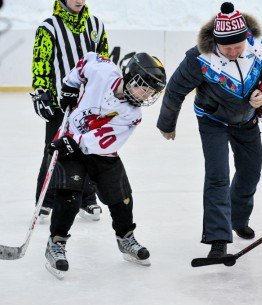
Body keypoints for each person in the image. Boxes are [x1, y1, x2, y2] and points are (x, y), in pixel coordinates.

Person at [156, 2, 262, 258]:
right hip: (213, 121)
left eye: (238, 46)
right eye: (227, 48)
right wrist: (167, 124)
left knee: (251, 169)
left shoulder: (258, 42)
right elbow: (175, 90)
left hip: (246, 119)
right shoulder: (199, 59)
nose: (234, 52)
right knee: (218, 175)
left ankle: (237, 219)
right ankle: (218, 238)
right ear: (216, 42)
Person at [43, 51, 166, 278]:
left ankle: (125, 238)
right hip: (71, 139)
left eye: (151, 92)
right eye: (143, 87)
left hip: (101, 152)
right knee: (68, 196)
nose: (145, 95)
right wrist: (70, 84)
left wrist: (74, 142)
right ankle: (56, 243)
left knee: (121, 197)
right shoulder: (104, 72)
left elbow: (102, 142)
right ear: (130, 76)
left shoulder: (132, 114)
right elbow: (86, 60)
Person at [31, 0, 108, 221]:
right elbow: (40, 62)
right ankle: (46, 199)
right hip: (59, 103)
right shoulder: (49, 27)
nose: (78, 0)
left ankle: (87, 197)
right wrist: (41, 90)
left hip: (88, 103)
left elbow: (104, 63)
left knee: (88, 149)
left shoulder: (96, 26)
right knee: (55, 149)